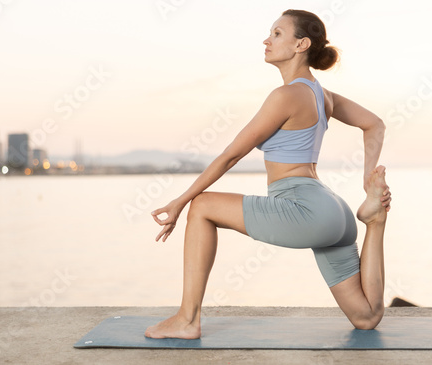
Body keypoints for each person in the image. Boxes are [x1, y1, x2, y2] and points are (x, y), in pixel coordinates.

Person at [145, 9, 392, 339]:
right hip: (336, 212)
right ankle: (374, 223)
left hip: (304, 208)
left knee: (201, 206)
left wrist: (180, 201)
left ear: (300, 44)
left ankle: (187, 319)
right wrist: (366, 182)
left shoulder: (286, 96)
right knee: (366, 317)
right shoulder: (323, 96)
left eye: (277, 33)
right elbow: (374, 124)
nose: (267, 39)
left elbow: (231, 155)